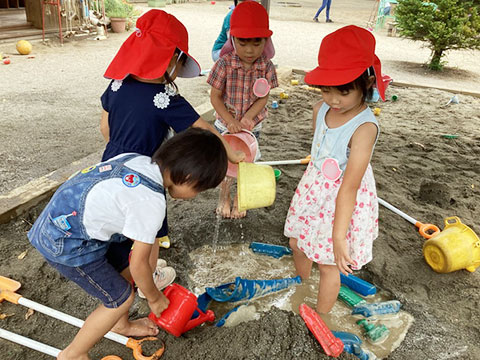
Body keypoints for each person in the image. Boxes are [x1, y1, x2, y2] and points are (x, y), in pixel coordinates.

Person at [28, 128, 228, 360]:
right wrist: (154, 297)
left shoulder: (138, 160)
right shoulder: (150, 202)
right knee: (120, 298)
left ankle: (120, 324)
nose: (195, 196)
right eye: (199, 190)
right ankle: (74, 353)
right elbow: (140, 265)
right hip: (67, 242)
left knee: (125, 267)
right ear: (189, 178)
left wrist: (147, 272)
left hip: (58, 220)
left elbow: (142, 247)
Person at [100, 9, 244, 290]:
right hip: (147, 172)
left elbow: (105, 127)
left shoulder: (116, 85)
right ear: (172, 59)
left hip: (111, 164)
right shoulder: (163, 97)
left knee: (119, 222)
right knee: (149, 232)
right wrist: (229, 152)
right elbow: (202, 128)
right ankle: (147, 278)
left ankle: (123, 270)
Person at [284, 25, 386, 314]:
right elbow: (320, 147)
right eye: (327, 89)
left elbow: (349, 188)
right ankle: (302, 284)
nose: (334, 100)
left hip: (344, 197)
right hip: (315, 187)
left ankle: (321, 316)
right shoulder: (321, 109)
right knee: (298, 242)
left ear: (365, 84)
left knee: (329, 262)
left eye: (343, 91)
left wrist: (339, 237)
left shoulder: (364, 127)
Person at [207, 1, 278, 219]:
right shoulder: (224, 63)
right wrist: (230, 120)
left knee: (247, 163)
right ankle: (225, 196)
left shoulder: (266, 66)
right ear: (232, 39)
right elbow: (215, 97)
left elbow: (263, 96)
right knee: (226, 164)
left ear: (265, 41)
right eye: (243, 42)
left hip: (250, 127)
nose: (250, 50)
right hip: (225, 125)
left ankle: (241, 199)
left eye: (257, 43)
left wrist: (248, 118)